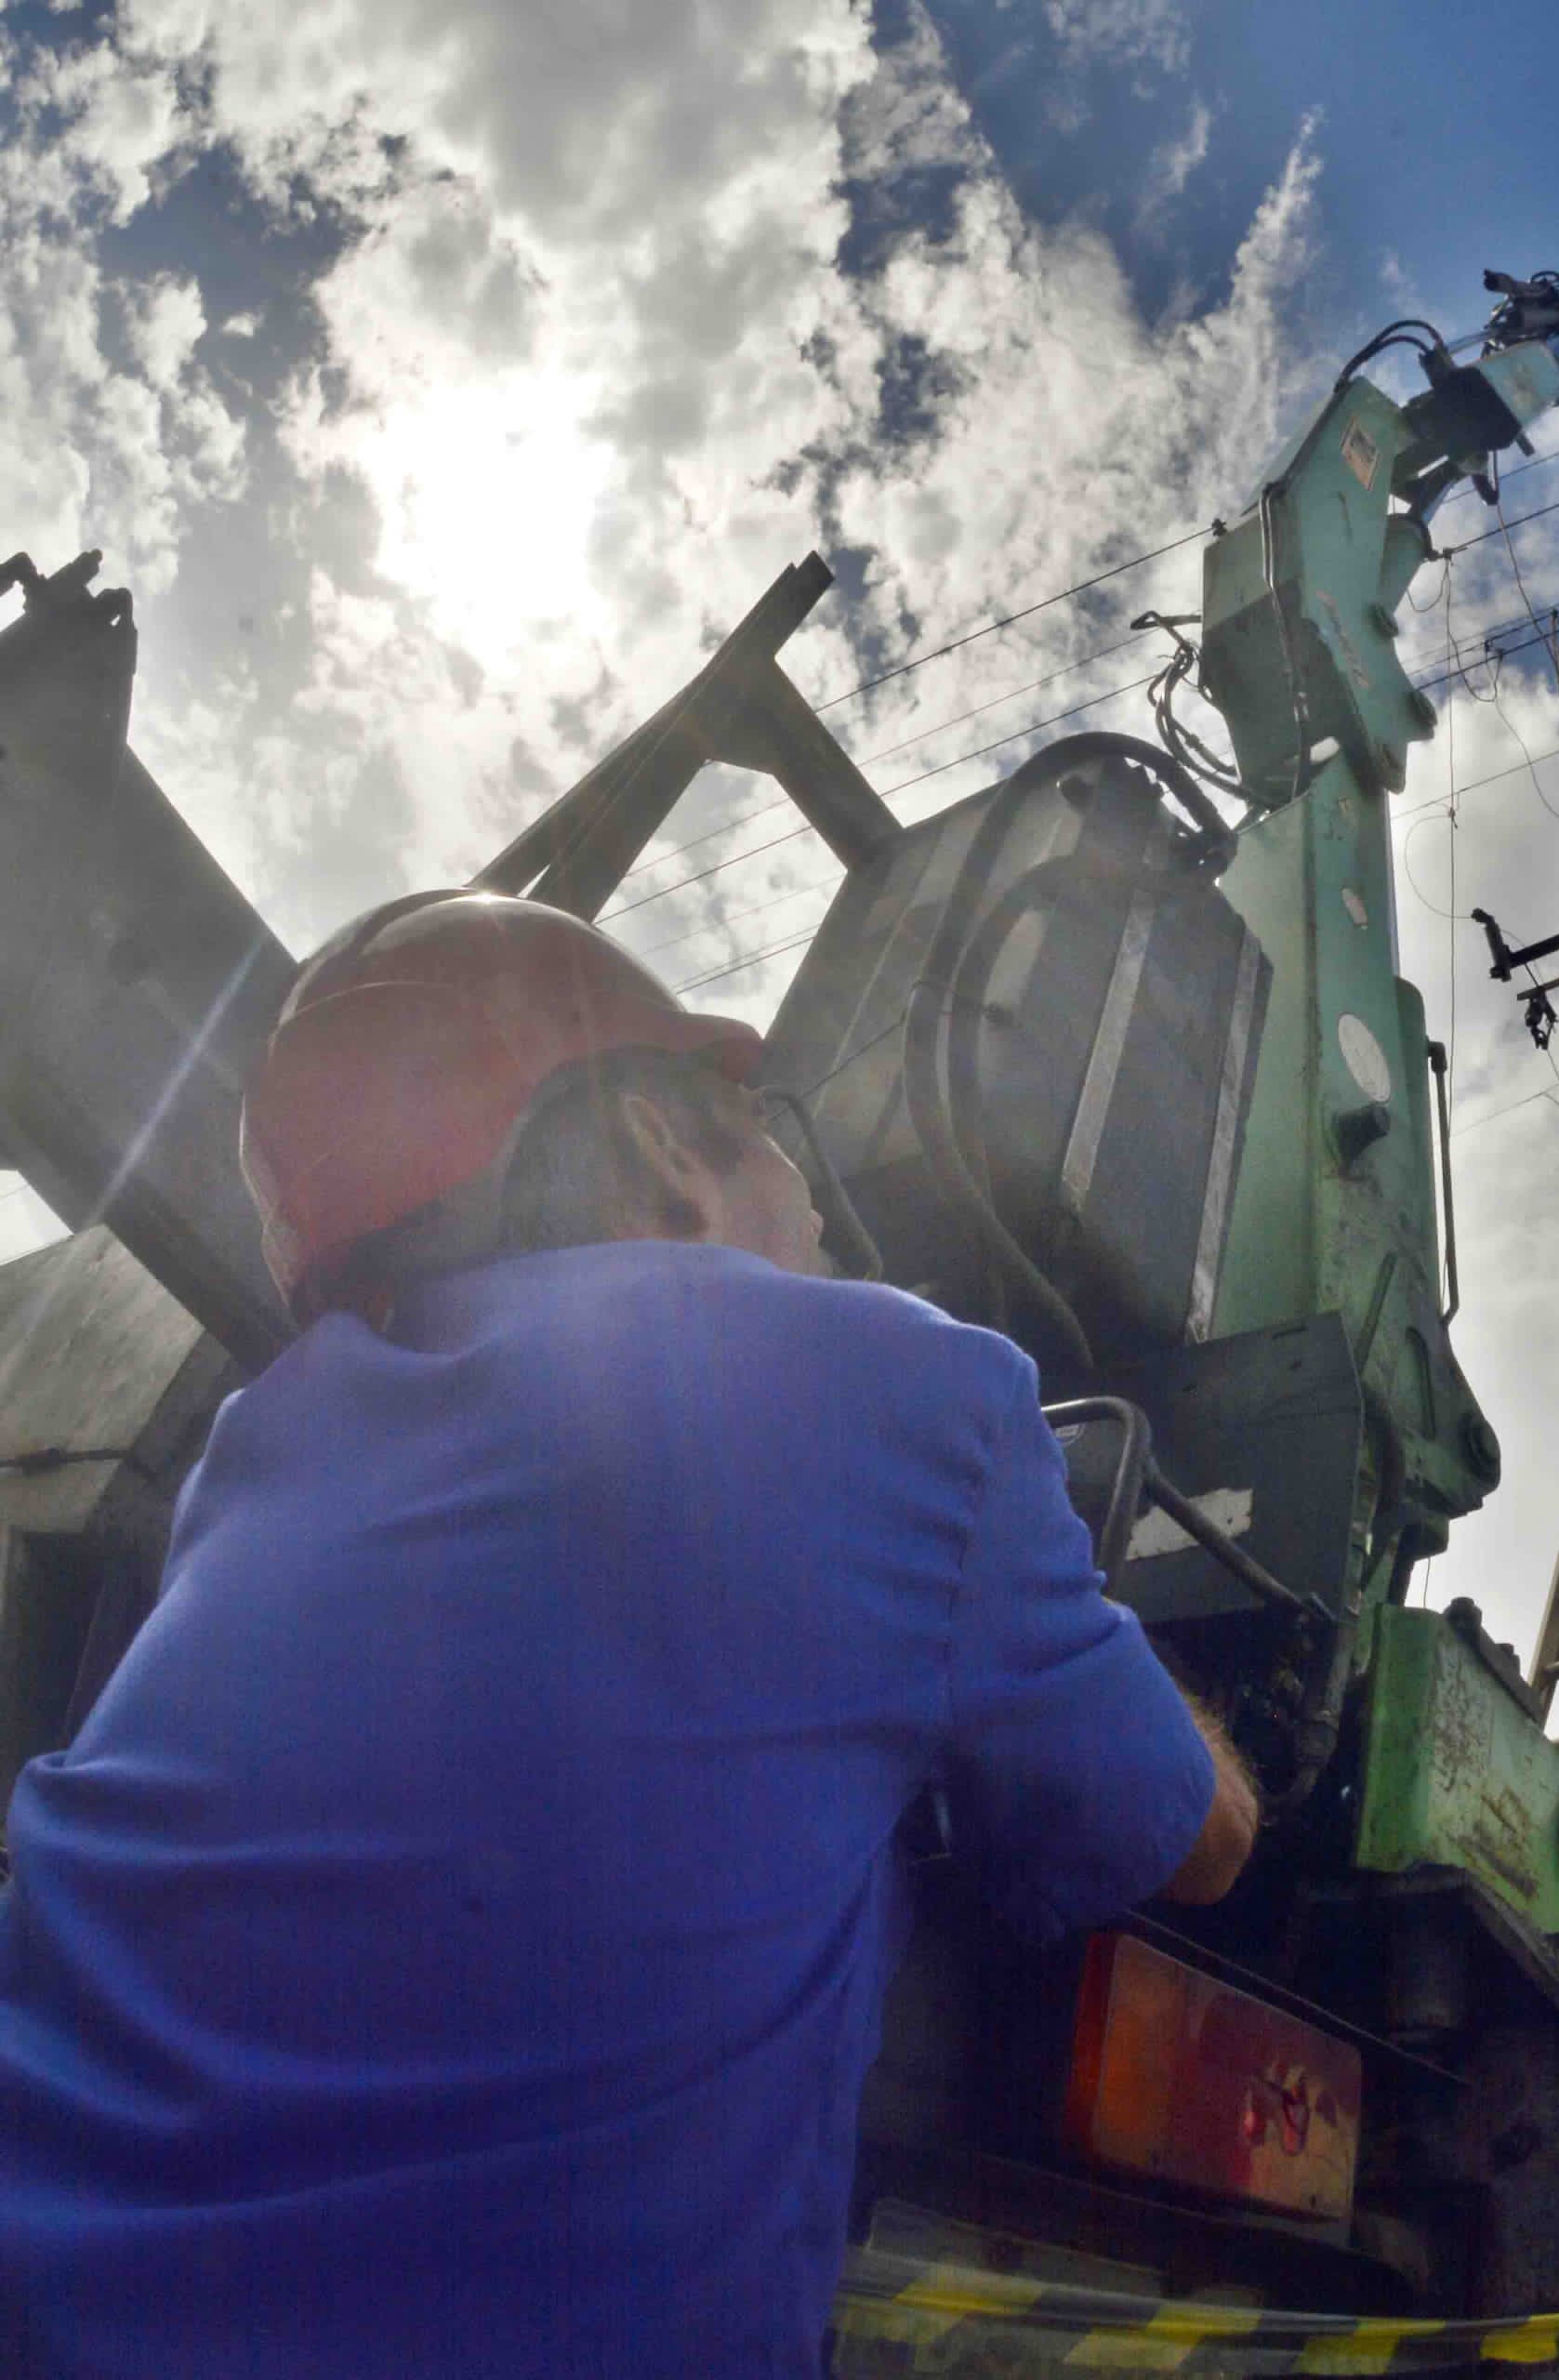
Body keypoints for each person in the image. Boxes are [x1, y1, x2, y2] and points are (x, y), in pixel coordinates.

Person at [0, 892, 1257, 2380]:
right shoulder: (894, 1380)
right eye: (776, 1132)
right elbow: (1197, 1839)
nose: (806, 1199)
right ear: (664, 1145)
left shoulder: (253, 1456)